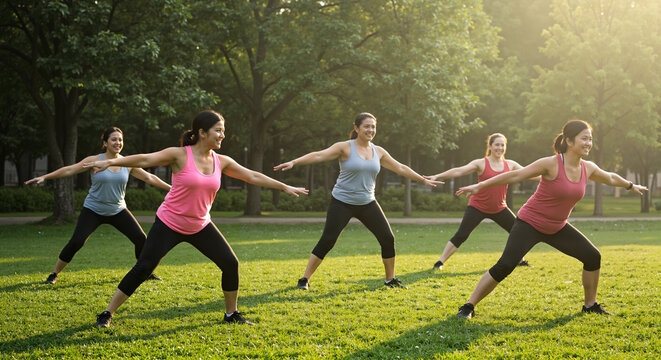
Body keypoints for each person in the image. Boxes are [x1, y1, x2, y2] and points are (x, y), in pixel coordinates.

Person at [86, 110, 308, 327]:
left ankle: (231, 314)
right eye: (218, 131)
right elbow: (146, 158)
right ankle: (107, 313)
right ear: (202, 132)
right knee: (144, 267)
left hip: (200, 224)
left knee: (230, 263)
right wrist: (110, 162)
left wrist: (283, 186)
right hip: (169, 223)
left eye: (223, 131)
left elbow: (251, 175)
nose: (222, 135)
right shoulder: (180, 154)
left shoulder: (222, 161)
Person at [453, 120, 647, 319]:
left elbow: (611, 178)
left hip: (557, 227)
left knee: (592, 256)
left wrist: (630, 185)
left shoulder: (587, 168)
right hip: (529, 223)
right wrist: (480, 186)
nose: (589, 143)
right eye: (584, 138)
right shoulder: (551, 163)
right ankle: (468, 306)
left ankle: (590, 305)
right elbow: (515, 175)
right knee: (506, 265)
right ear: (570, 141)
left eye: (590, 139)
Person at [274, 112, 442, 291]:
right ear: (356, 128)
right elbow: (318, 155)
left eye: (373, 127)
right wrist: (294, 162)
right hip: (342, 202)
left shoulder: (379, 151)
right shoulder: (345, 147)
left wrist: (422, 180)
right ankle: (304, 279)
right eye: (366, 126)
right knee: (328, 240)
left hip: (367, 203)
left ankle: (389, 279)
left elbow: (400, 167)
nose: (370, 130)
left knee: (387, 238)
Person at [25, 127, 171, 284]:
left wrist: (172, 188)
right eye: (114, 139)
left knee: (141, 238)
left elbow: (150, 178)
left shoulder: (127, 163)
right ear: (105, 143)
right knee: (77, 242)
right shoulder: (94, 160)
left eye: (120, 139)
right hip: (93, 210)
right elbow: (69, 170)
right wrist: (45, 177)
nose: (118, 143)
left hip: (118, 210)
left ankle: (143, 272)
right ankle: (54, 274)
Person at [424, 133, 536, 270]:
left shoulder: (510, 165)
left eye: (502, 145)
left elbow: (530, 173)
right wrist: (437, 176)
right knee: (462, 234)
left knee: (517, 231)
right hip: (477, 207)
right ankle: (440, 262)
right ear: (490, 146)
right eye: (497, 145)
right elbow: (459, 171)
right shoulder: (481, 163)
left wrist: (551, 176)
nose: (499, 148)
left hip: (499, 208)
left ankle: (520, 260)